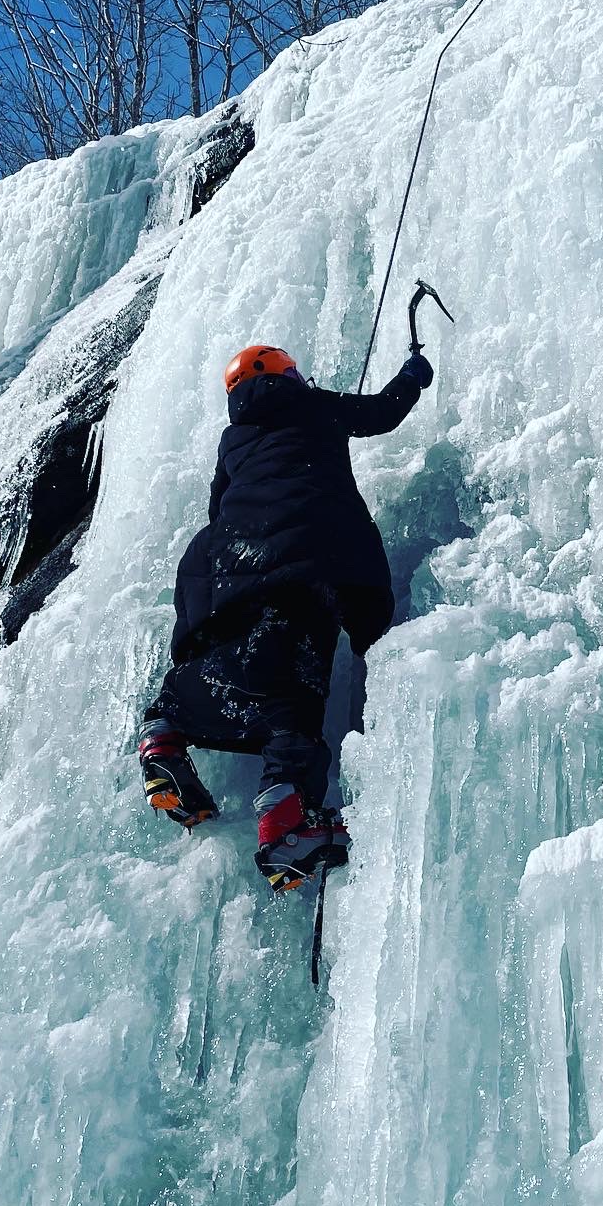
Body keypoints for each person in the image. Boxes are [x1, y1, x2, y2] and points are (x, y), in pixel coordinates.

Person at [138, 341, 432, 890]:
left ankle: (165, 731)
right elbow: (379, 413)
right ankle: (284, 816)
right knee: (292, 688)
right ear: (284, 375)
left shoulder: (235, 440)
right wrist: (413, 373)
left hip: (227, 563)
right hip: (302, 560)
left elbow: (217, 504)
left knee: (225, 656)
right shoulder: (311, 404)